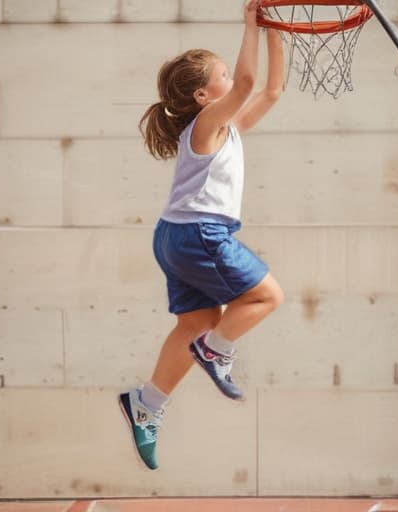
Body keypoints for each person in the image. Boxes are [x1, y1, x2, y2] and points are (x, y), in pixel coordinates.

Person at [119, 0, 284, 470]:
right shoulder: (207, 125)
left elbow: (271, 89)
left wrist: (276, 29)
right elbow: (252, 84)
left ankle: (147, 405)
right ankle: (215, 350)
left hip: (173, 237)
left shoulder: (227, 127)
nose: (235, 81)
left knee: (195, 322)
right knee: (266, 296)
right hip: (199, 234)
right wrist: (251, 24)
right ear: (202, 97)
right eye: (225, 76)